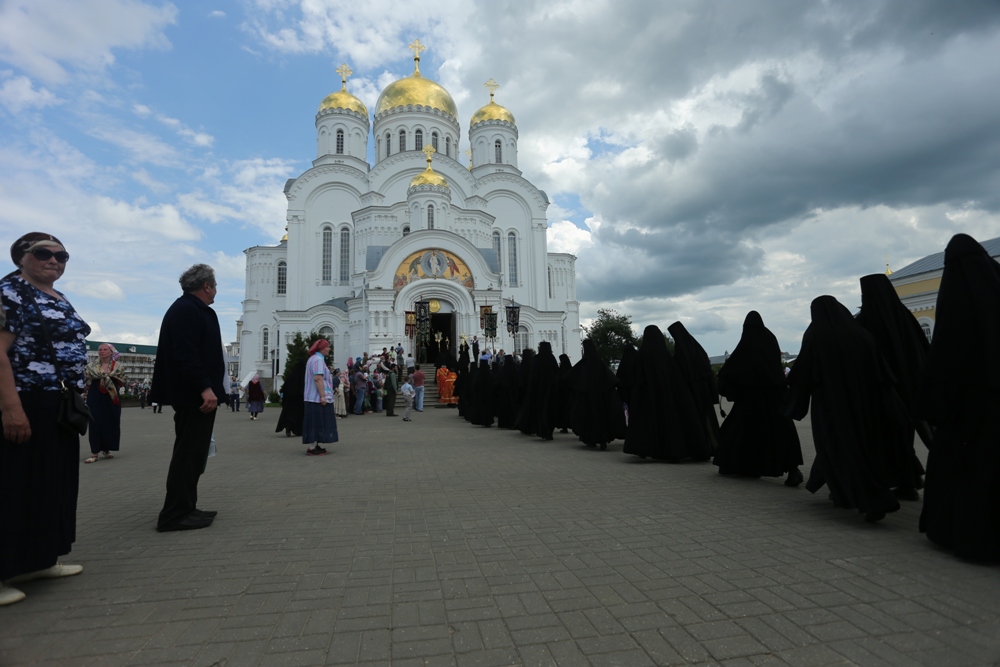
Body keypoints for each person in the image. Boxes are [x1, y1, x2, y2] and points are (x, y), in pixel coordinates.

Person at [0, 232, 90, 607]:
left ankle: (39, 558)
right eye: (44, 254)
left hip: (57, 403)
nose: (54, 261)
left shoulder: (58, 296)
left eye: (62, 256)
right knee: (15, 484)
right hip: (27, 400)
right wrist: (11, 408)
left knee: (52, 481)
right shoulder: (11, 293)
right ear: (22, 256)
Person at [784, 296, 907, 523]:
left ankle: (868, 497)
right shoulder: (861, 334)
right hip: (866, 404)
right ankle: (846, 490)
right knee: (862, 446)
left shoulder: (816, 335)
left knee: (835, 446)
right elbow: (881, 371)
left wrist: (793, 401)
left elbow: (803, 372)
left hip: (831, 406)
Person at [917, 234, 1000, 560]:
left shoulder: (958, 298)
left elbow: (946, 359)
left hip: (968, 410)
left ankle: (969, 535)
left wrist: (933, 408)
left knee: (970, 473)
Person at [150, 264, 227, 533]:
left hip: (196, 394)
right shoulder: (187, 310)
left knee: (194, 453)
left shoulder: (191, 309)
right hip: (194, 396)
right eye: (214, 286)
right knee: (187, 453)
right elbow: (186, 354)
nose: (216, 290)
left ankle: (187, 507)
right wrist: (205, 388)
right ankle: (174, 515)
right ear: (206, 286)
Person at [857, 273, 932, 499]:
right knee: (905, 435)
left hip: (881, 392)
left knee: (885, 439)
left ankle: (899, 481)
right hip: (911, 388)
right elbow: (923, 351)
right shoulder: (905, 317)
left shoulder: (864, 321)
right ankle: (908, 481)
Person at [713, 312, 803, 484]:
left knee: (738, 431)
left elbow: (732, 369)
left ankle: (731, 463)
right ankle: (793, 469)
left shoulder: (747, 343)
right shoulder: (769, 338)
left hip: (750, 398)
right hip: (775, 396)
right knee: (782, 433)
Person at [624, 325, 709, 461]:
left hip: (646, 399)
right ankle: (672, 449)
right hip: (667, 399)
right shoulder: (667, 358)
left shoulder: (641, 356)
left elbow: (633, 379)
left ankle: (645, 449)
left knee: (647, 423)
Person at [668, 322, 723, 454]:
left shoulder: (681, 351)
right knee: (708, 419)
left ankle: (702, 447)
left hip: (690, 392)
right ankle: (714, 445)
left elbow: (680, 373)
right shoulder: (698, 349)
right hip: (704, 390)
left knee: (696, 419)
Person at [570, 339, 622, 450]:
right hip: (601, 398)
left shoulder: (583, 364)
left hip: (587, 399)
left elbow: (574, 379)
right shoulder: (600, 363)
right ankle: (602, 440)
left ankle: (591, 439)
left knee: (588, 419)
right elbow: (610, 379)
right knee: (602, 418)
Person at [83, 343, 126, 464]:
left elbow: (122, 380)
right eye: (100, 349)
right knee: (95, 421)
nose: (102, 351)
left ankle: (106, 448)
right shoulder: (91, 366)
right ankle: (94, 452)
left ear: (111, 352)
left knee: (111, 420)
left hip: (112, 396)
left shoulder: (118, 366)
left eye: (105, 349)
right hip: (95, 395)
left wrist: (108, 378)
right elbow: (86, 380)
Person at [515, 341, 560, 440]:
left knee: (541, 411)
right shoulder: (552, 359)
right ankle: (549, 432)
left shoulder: (537, 359)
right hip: (550, 391)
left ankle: (542, 431)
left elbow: (533, 376)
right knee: (549, 411)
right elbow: (557, 373)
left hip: (539, 391)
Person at [302, 339, 338, 456]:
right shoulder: (317, 360)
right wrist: (323, 396)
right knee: (316, 422)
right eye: (327, 347)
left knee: (317, 422)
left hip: (312, 397)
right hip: (316, 398)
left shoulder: (314, 359)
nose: (329, 349)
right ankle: (312, 447)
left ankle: (315, 444)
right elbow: (318, 378)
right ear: (321, 348)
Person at [275, 358, 306, 437]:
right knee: (298, 416)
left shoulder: (291, 376)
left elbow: (283, 388)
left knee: (289, 415)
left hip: (289, 400)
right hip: (299, 400)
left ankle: (288, 427)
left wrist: (283, 399)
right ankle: (298, 430)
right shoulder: (303, 376)